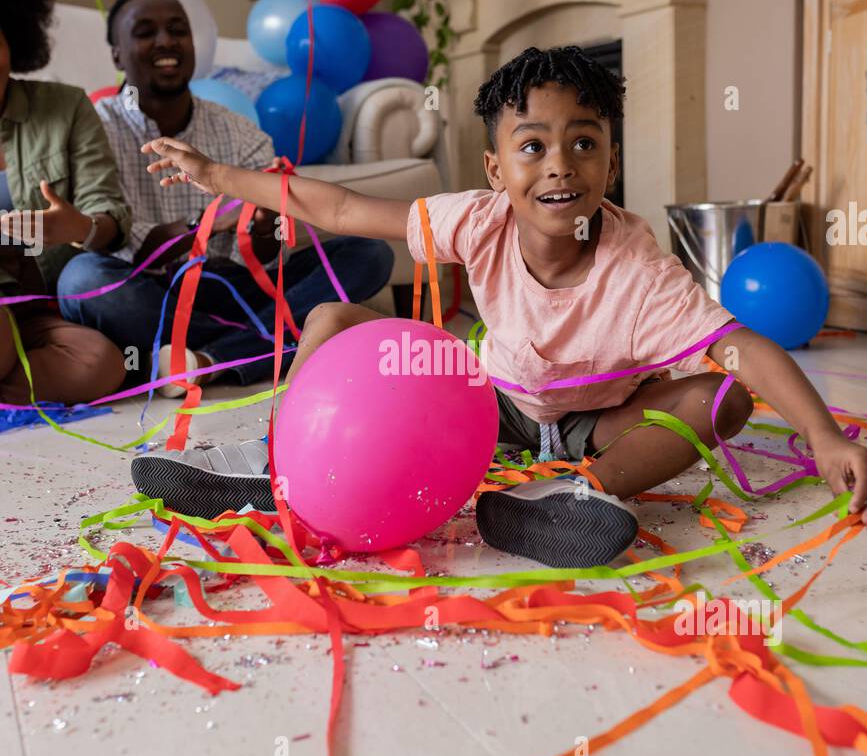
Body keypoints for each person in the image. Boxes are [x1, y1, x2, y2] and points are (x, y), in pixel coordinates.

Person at [128, 45, 867, 565]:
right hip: (483, 404)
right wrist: (221, 175)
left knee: (723, 397)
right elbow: (344, 208)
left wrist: (824, 437)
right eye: (533, 146)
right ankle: (278, 456)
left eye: (583, 144)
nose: (559, 165)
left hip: (595, 427)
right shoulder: (477, 219)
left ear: (611, 162)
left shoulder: (638, 269)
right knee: (332, 317)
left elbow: (742, 345)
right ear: (495, 169)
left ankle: (577, 499)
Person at [57, 0, 394, 396]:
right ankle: (268, 344)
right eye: (146, 32)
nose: (166, 41)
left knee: (370, 252)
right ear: (116, 53)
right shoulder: (95, 129)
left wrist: (268, 223)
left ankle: (207, 359)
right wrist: (205, 224)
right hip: (148, 291)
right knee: (80, 281)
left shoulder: (237, 130)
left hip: (233, 288)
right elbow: (113, 241)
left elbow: (267, 258)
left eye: (177, 29)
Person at [0, 0, 129, 407]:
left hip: (33, 306)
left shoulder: (66, 106)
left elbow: (109, 215)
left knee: (102, 363)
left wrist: (80, 226)